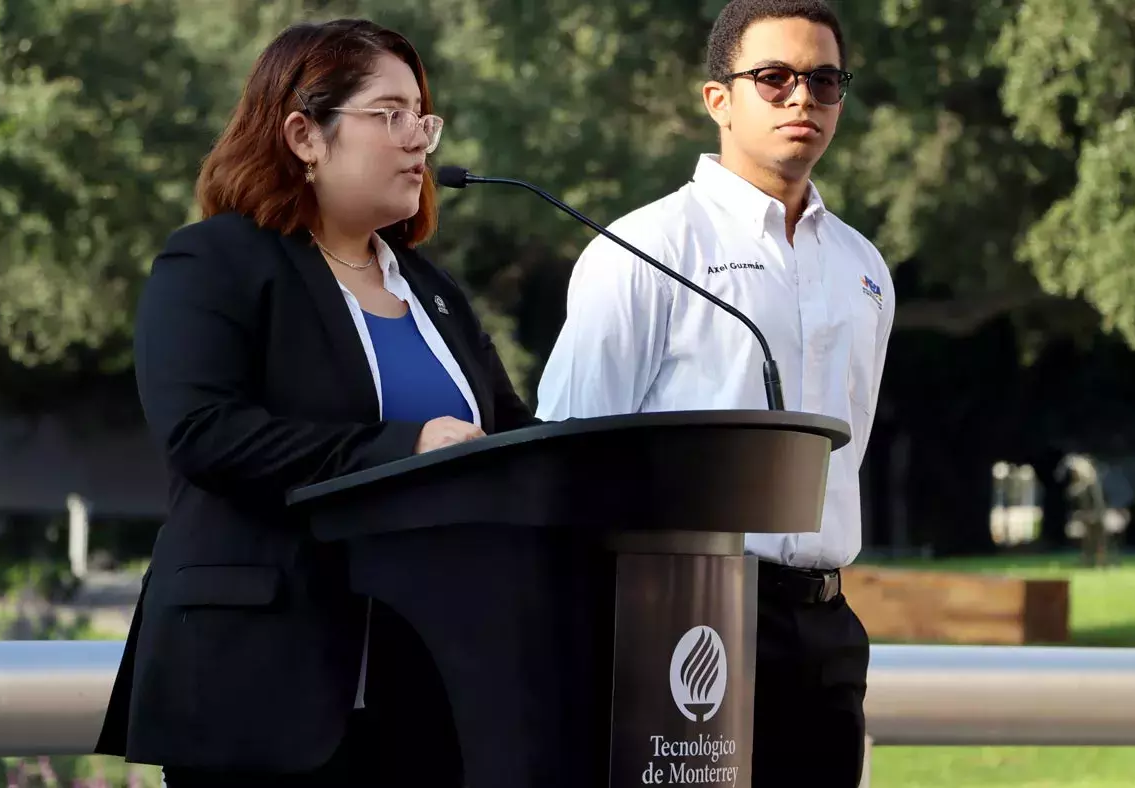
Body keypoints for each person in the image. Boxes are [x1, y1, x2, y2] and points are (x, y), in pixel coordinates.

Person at [93, 19, 536, 788]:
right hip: (261, 688)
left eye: (423, 117)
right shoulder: (216, 261)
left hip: (431, 693)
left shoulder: (429, 288)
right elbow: (204, 434)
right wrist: (405, 451)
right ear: (304, 134)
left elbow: (508, 435)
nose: (419, 140)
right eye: (389, 113)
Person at [534, 1, 893, 785]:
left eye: (825, 81)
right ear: (718, 100)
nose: (803, 99)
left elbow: (850, 446)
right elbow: (566, 456)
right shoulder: (646, 247)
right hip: (683, 617)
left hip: (824, 621)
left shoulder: (863, 266)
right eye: (775, 78)